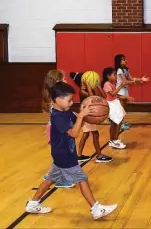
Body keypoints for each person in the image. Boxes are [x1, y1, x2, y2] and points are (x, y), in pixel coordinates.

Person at [26, 82, 117, 219]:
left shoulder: (66, 112)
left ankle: (33, 203)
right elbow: (74, 133)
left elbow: (81, 121)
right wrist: (81, 116)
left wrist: (92, 114)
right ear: (57, 100)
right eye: (69, 100)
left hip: (63, 153)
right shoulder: (57, 117)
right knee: (82, 178)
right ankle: (96, 208)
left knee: (50, 178)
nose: (71, 103)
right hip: (64, 155)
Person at [42, 69, 75, 188]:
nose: (66, 80)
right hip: (56, 130)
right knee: (60, 156)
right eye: (63, 79)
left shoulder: (54, 97)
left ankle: (55, 176)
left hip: (55, 128)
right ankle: (53, 177)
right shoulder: (56, 99)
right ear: (56, 82)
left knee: (60, 155)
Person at [70, 72, 113, 163]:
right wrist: (89, 86)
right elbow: (91, 98)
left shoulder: (92, 89)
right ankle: (98, 155)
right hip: (87, 115)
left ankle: (79, 155)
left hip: (91, 115)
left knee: (87, 135)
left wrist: (98, 86)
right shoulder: (82, 91)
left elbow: (103, 97)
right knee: (92, 134)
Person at [114, 54, 149, 130]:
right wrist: (135, 82)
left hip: (125, 90)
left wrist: (141, 79)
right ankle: (120, 124)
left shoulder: (126, 69)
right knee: (121, 108)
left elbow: (131, 78)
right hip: (120, 90)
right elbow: (125, 81)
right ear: (119, 62)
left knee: (123, 108)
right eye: (123, 59)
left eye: (125, 59)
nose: (125, 60)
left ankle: (122, 122)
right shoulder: (119, 70)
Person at [102, 67, 128, 149]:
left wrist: (126, 97)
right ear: (108, 76)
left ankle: (112, 140)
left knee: (115, 122)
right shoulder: (106, 84)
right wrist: (121, 86)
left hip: (115, 102)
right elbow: (112, 94)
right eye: (114, 75)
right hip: (111, 104)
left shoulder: (112, 83)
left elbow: (116, 95)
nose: (116, 77)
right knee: (117, 121)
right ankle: (115, 139)